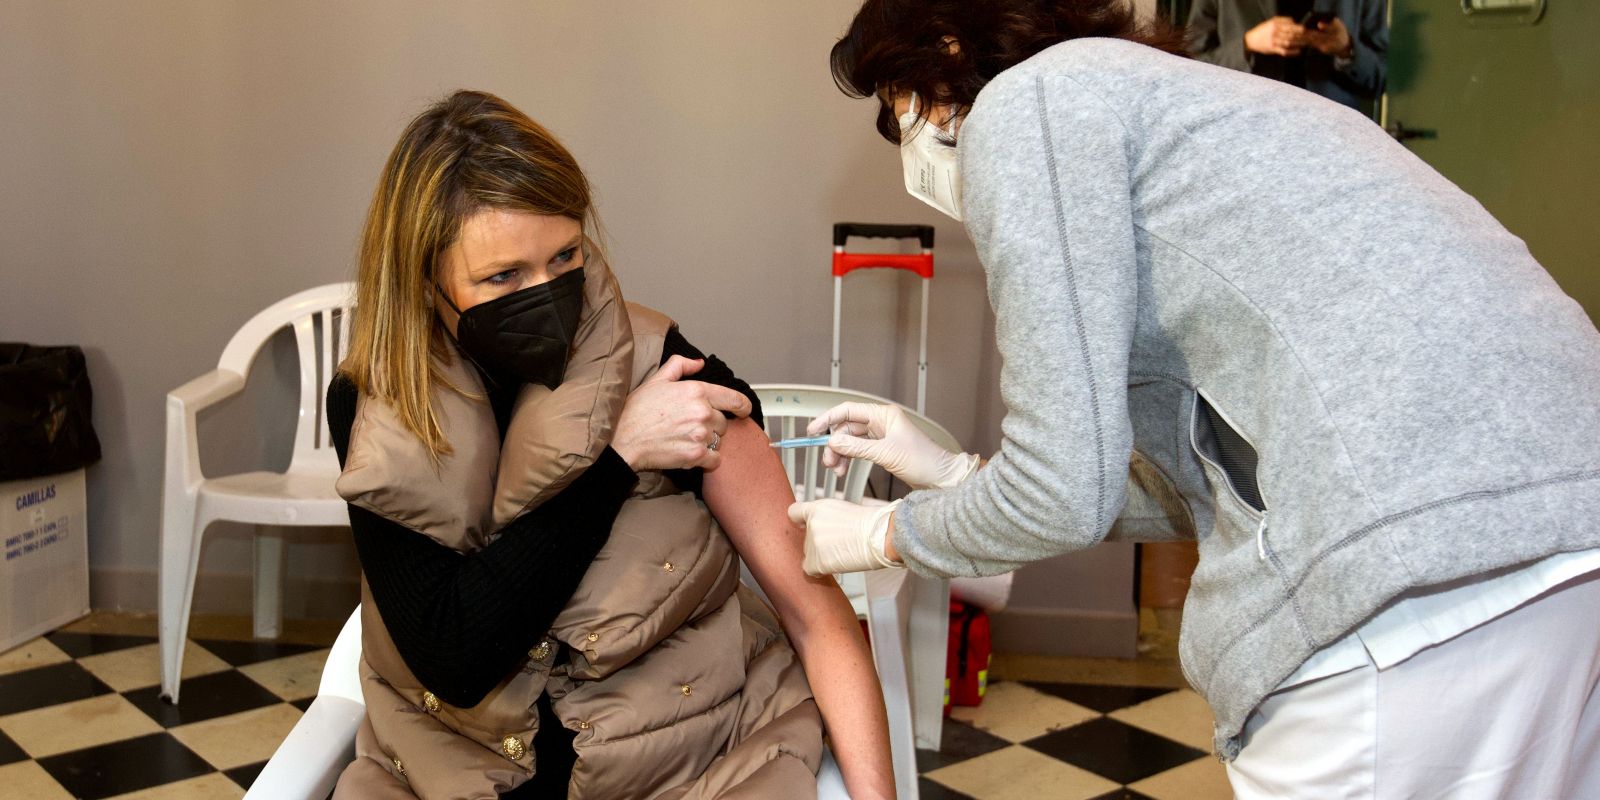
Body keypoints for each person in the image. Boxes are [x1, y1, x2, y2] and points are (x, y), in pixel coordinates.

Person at [789, 1, 1600, 796]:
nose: (907, 142)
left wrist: (884, 532)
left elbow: (1061, 495)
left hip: (1411, 580)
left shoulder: (1030, 104)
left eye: (899, 105)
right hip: (1564, 530)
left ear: (947, 45)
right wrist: (962, 476)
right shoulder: (1194, 98)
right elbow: (1192, 480)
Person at [328, 90, 894, 799]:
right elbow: (454, 651)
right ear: (425, 280)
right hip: (450, 769)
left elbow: (817, 618)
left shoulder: (674, 374)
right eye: (503, 277)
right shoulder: (374, 403)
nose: (547, 293)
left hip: (694, 763)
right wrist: (617, 460)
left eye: (566, 257)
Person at [1185, 0, 1387, 113]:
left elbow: (1381, 79)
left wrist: (1347, 49)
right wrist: (1248, 45)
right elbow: (1190, 70)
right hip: (1244, 134)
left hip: (1332, 141)